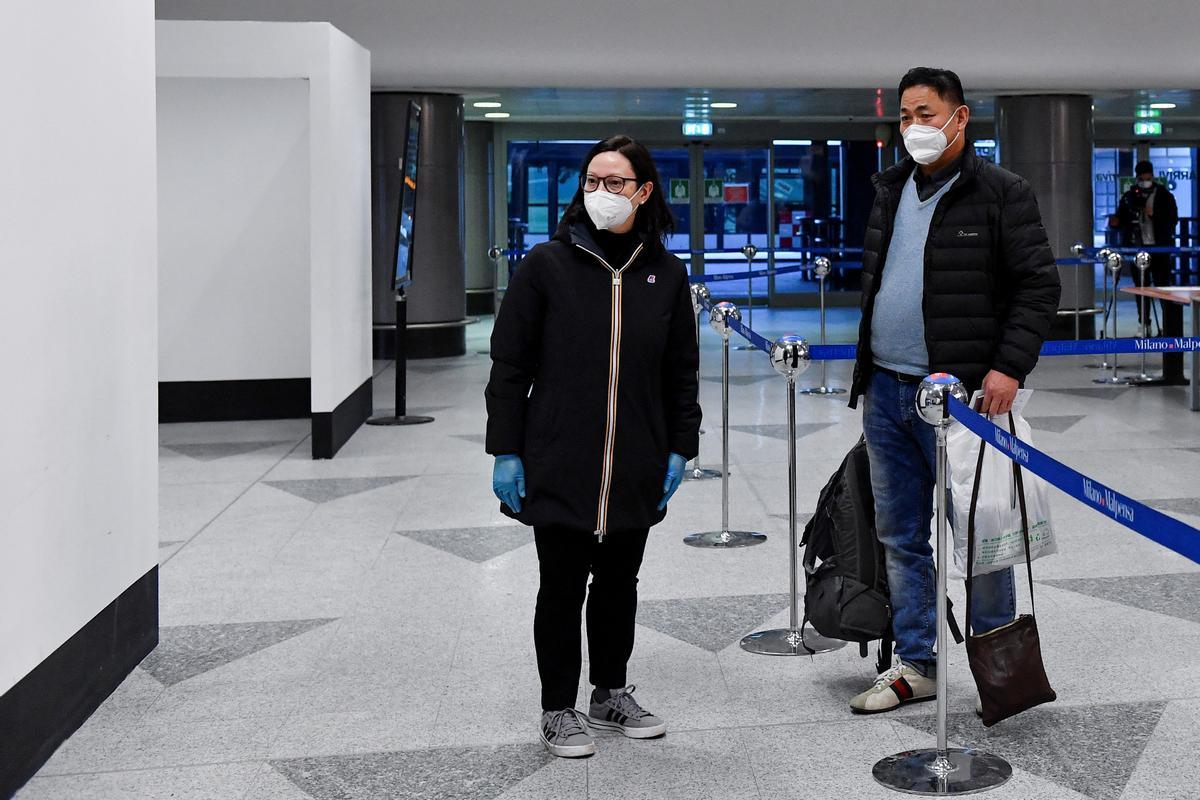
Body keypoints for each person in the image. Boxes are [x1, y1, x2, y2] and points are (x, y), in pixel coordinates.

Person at [847, 67, 1061, 713]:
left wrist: (1008, 367)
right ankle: (918, 664)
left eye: (926, 113)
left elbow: (1038, 286)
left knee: (983, 534)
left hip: (965, 401)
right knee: (900, 534)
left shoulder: (1002, 192)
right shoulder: (890, 191)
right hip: (888, 390)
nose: (914, 126)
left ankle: (998, 667)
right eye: (906, 115)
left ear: (960, 118)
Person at [484, 136, 701, 758]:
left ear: (644, 191)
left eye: (616, 182)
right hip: (560, 456)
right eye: (593, 181)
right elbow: (509, 364)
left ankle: (608, 692)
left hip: (637, 455)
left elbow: (680, 371)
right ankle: (558, 708)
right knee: (560, 585)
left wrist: (679, 447)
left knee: (619, 582)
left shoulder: (665, 271)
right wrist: (507, 449)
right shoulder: (546, 265)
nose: (602, 193)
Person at [1114, 161, 1185, 384]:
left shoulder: (1164, 195)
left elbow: (1172, 219)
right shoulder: (1130, 196)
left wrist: (1154, 214)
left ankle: (1168, 326)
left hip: (1160, 249)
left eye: (1147, 174)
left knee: (1164, 288)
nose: (1144, 178)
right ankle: (1143, 323)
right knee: (1140, 289)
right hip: (1137, 248)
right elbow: (1122, 219)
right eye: (1141, 175)